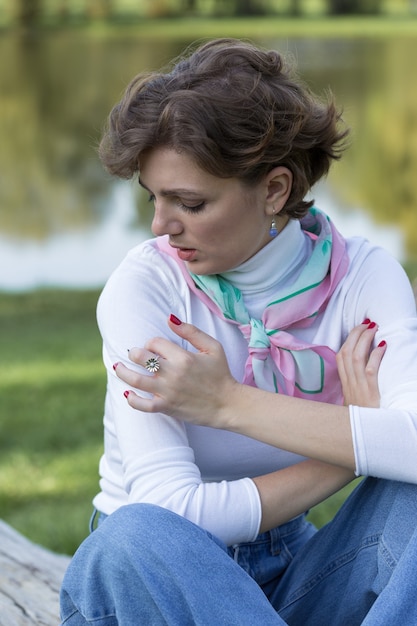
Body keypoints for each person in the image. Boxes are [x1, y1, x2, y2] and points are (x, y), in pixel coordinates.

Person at [60, 38, 417, 625]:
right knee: (137, 533)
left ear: (275, 190)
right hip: (153, 589)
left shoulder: (363, 278)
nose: (160, 225)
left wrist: (228, 404)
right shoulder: (146, 288)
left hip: (294, 576)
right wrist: (356, 451)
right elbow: (171, 511)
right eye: (154, 198)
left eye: (190, 203)